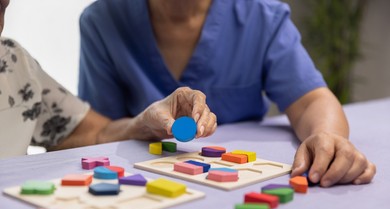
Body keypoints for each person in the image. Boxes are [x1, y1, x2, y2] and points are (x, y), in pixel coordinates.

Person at [78, 0, 376, 188]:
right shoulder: (101, 20)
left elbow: (312, 99)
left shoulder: (263, 16)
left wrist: (328, 136)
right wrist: (140, 126)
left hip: (245, 183)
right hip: (141, 185)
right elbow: (97, 132)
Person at [0, 0, 216, 159]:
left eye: (1, 8)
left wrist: (145, 124)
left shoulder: (12, 62)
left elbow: (92, 134)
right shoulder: (103, 20)